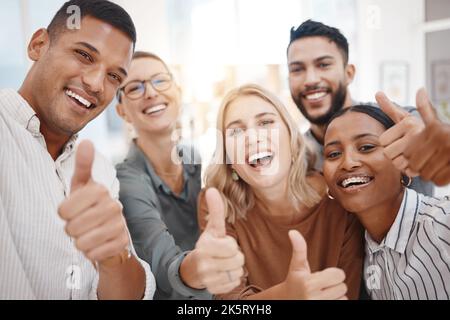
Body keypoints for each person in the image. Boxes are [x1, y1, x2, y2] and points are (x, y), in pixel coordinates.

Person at [0, 0, 155, 299]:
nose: (96, 83)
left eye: (114, 77)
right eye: (84, 55)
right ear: (38, 45)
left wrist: (114, 258)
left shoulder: (99, 167)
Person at [198, 84, 364, 300]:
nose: (253, 137)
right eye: (236, 131)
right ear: (229, 160)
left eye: (266, 122)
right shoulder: (218, 205)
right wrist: (288, 295)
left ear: (292, 139)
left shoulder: (339, 199)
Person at [115, 52, 244, 299]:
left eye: (160, 81)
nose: (151, 93)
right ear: (122, 111)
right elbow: (163, 266)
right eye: (134, 87)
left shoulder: (192, 158)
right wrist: (199, 267)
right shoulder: (126, 181)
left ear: (178, 91)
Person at [287, 19, 434, 196]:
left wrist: (429, 140)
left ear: (348, 73)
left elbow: (422, 131)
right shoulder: (295, 157)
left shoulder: (394, 121)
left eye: (323, 65)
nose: (310, 79)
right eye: (297, 69)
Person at [322, 101, 450, 299]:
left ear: (403, 161)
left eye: (366, 147)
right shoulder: (362, 250)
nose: (348, 163)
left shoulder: (440, 224)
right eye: (334, 154)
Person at [377, 89, 450, 187]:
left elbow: (421, 128)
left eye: (366, 147)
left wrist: (427, 138)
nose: (349, 163)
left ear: (350, 73)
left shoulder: (397, 114)